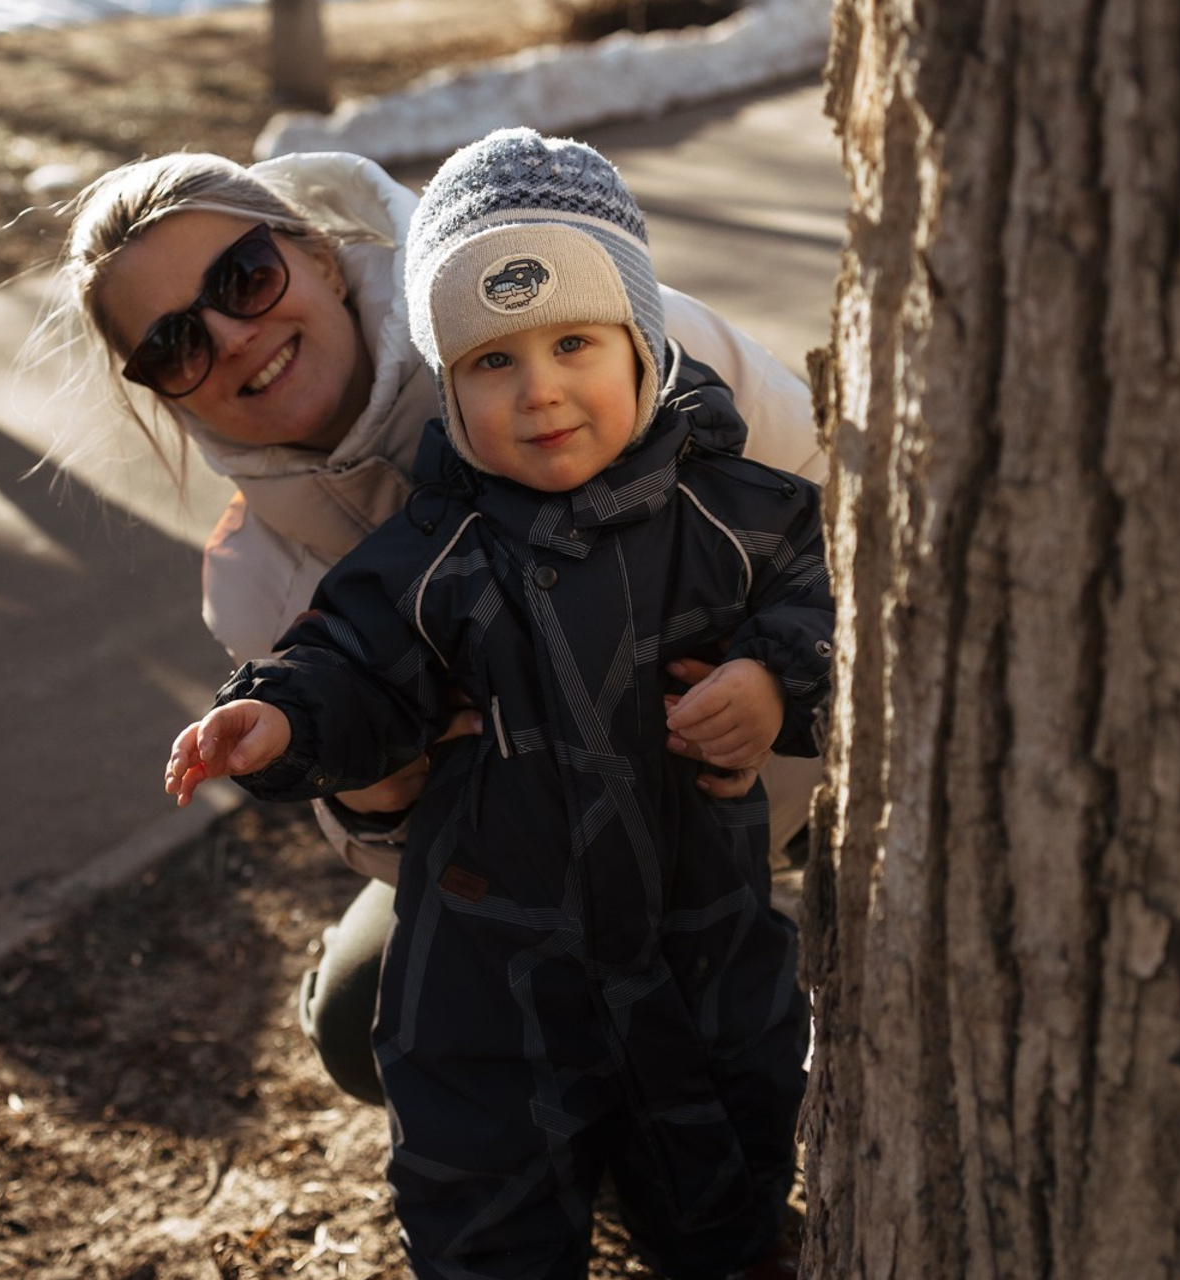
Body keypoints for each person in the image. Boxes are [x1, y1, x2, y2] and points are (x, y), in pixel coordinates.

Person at [163, 127, 832, 1280]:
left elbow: (827, 594)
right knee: (479, 1174)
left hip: (698, 916)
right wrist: (279, 719)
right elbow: (349, 658)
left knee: (725, 1141)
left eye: (573, 341)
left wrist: (773, 676)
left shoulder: (735, 509)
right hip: (494, 944)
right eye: (489, 361)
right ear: (449, 390)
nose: (540, 390)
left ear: (640, 344)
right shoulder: (433, 551)